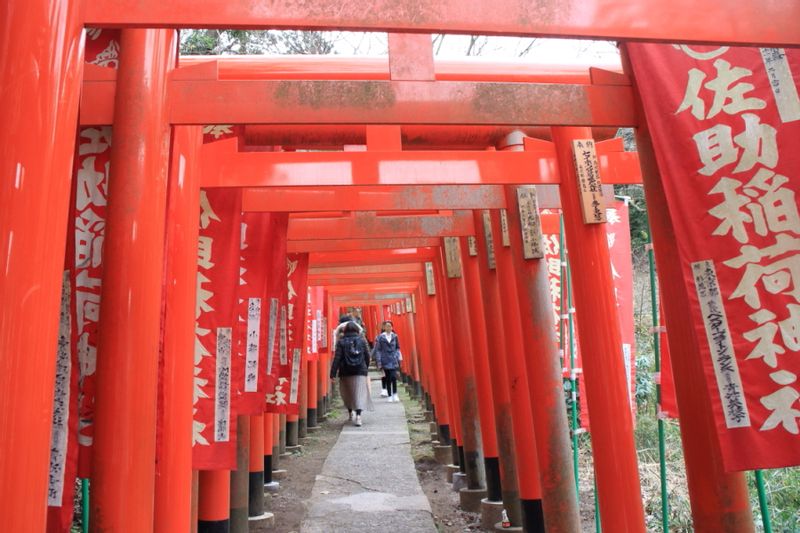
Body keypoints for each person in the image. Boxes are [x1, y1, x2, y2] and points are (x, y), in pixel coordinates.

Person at [330, 321, 372, 426]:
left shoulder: (341, 342)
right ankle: (358, 416)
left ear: (345, 330)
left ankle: (350, 413)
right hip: (360, 371)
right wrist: (365, 368)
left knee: (348, 393)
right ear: (357, 330)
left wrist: (333, 373)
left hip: (345, 371)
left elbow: (337, 358)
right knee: (359, 393)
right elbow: (367, 356)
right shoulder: (362, 341)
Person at [372, 321, 402, 402]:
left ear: (392, 327)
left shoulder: (395, 336)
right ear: (384, 328)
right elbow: (378, 350)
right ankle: (389, 395)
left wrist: (397, 356)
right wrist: (379, 361)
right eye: (387, 326)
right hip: (385, 359)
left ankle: (395, 394)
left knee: (393, 377)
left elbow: (397, 347)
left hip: (393, 359)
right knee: (388, 378)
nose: (388, 328)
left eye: (390, 326)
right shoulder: (380, 337)